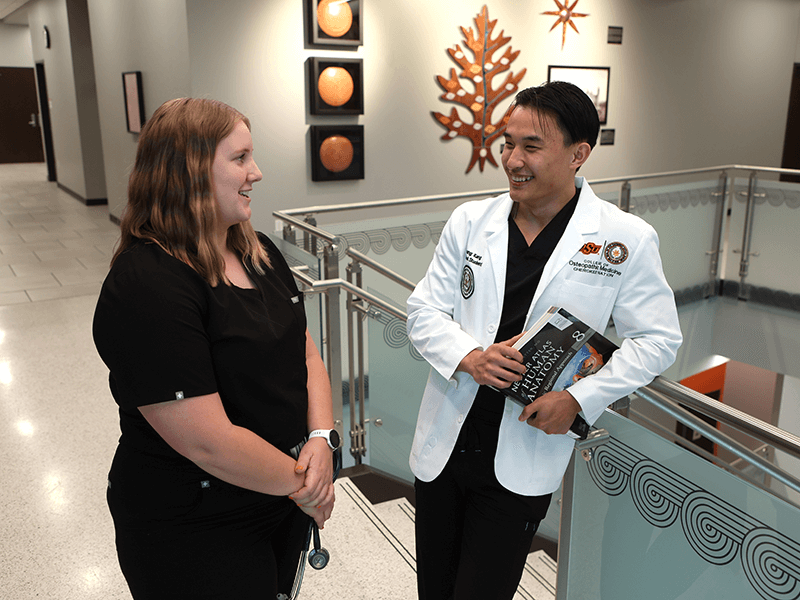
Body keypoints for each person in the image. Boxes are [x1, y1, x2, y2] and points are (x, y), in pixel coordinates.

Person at [406, 82, 683, 600]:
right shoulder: (470, 222)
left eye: (531, 147)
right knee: (434, 590)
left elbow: (658, 340)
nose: (512, 159)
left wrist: (580, 398)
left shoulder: (624, 240)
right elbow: (422, 310)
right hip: (446, 442)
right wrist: (469, 357)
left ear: (579, 154)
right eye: (508, 143)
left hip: (524, 453)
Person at [93, 98, 338, 600]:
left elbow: (306, 353)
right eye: (241, 158)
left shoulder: (260, 252)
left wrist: (321, 438)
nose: (258, 172)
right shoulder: (148, 284)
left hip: (276, 496)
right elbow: (208, 442)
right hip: (194, 521)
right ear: (189, 171)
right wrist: (306, 484)